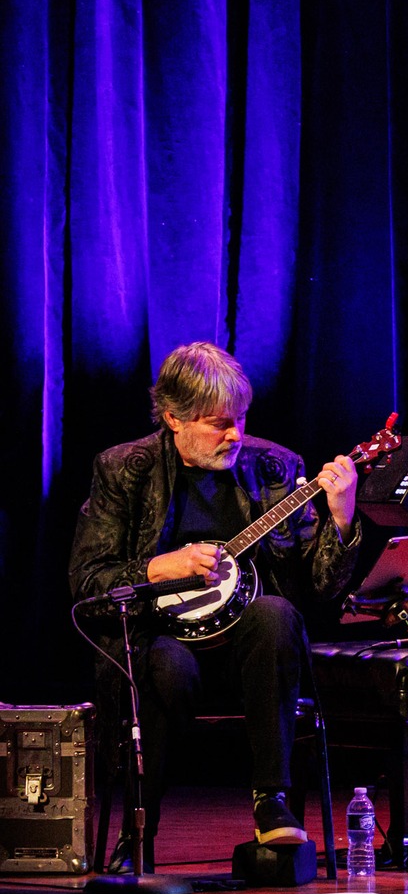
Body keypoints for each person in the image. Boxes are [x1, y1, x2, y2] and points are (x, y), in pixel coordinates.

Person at [70, 341, 363, 849]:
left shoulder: (274, 467)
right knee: (166, 668)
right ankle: (140, 830)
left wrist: (340, 516)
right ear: (173, 419)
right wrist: (158, 568)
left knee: (275, 614)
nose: (235, 434)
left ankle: (272, 799)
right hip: (160, 642)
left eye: (241, 419)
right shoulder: (123, 470)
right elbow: (88, 586)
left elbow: (321, 588)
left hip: (250, 655)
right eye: (217, 422)